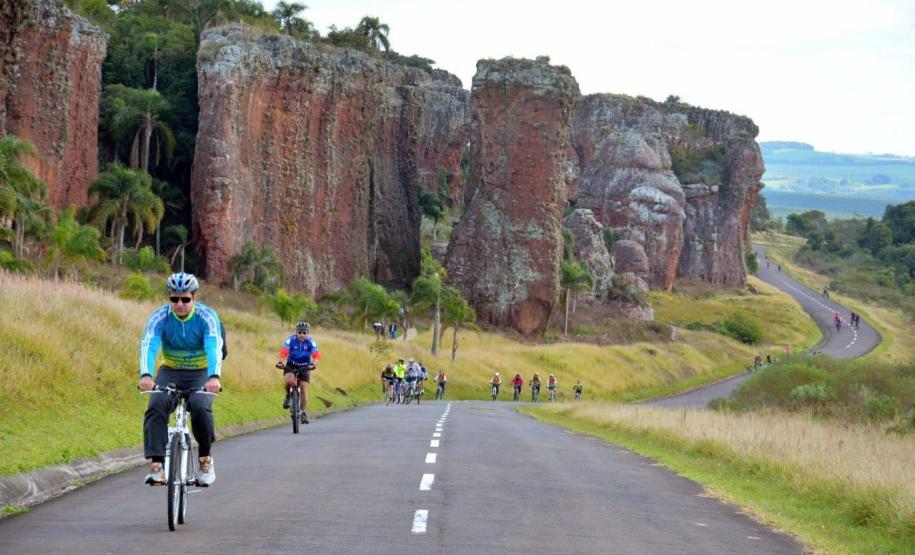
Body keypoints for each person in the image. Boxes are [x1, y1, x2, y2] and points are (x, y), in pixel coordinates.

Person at [139, 273, 223, 486]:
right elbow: (149, 344)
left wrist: (214, 377)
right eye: (174, 299)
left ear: (194, 297)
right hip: (171, 370)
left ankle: (205, 459)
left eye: (185, 299)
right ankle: (157, 465)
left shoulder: (206, 317)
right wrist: (146, 374)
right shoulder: (160, 317)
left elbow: (213, 346)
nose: (179, 304)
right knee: (156, 405)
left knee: (200, 407)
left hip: (201, 372)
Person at [279, 321, 320, 424]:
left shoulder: (311, 342)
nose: (302, 335)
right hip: (291, 365)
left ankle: (303, 413)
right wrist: (282, 362)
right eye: (300, 332)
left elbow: (316, 355)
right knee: (289, 381)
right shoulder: (291, 339)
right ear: (296, 332)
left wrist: (314, 364)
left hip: (305, 366)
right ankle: (288, 395)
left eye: (304, 333)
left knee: (303, 387)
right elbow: (284, 352)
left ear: (307, 333)